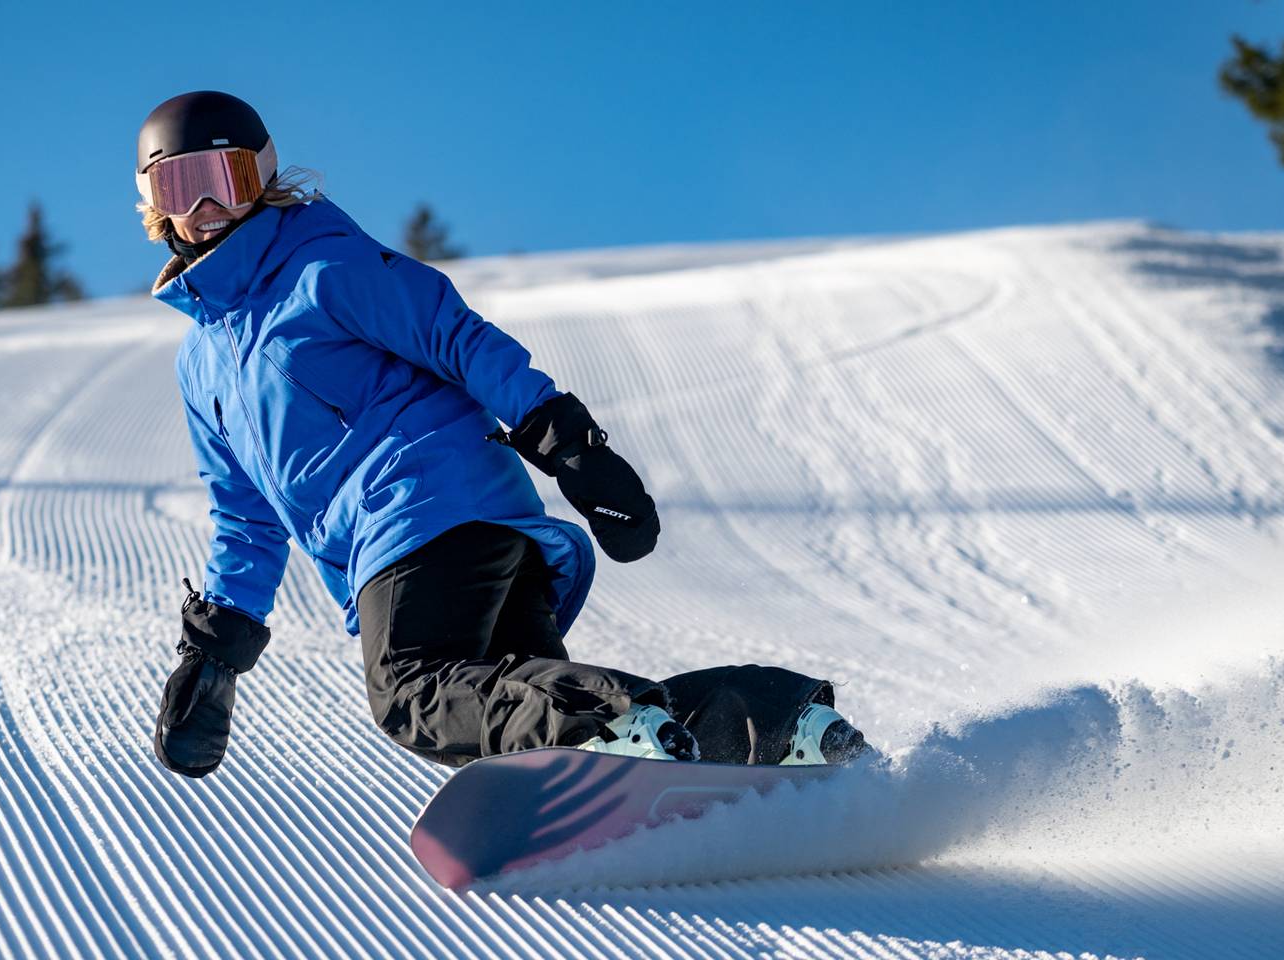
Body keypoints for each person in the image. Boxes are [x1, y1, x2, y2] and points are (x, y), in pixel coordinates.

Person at [138, 90, 867, 778]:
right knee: (522, 717)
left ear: (261, 178)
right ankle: (776, 726)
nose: (204, 208)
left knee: (412, 693)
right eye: (180, 188)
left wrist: (571, 448)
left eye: (223, 180)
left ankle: (617, 730)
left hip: (421, 516)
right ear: (153, 207)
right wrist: (214, 655)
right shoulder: (200, 365)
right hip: (462, 537)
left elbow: (457, 337)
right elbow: (246, 516)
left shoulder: (323, 265)